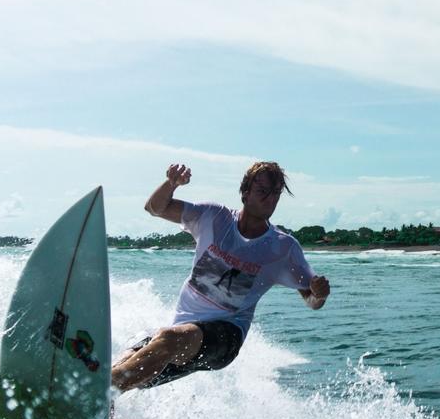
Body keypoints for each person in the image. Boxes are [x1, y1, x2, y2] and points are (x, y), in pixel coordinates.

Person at [110, 161, 330, 392]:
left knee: (166, 340)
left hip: (226, 336)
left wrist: (319, 294)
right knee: (129, 360)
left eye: (275, 193)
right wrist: (171, 184)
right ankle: (101, 413)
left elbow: (312, 300)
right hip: (183, 332)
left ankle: (100, 390)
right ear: (245, 193)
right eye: (262, 191)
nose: (270, 199)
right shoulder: (214, 217)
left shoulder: (283, 248)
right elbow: (155, 208)